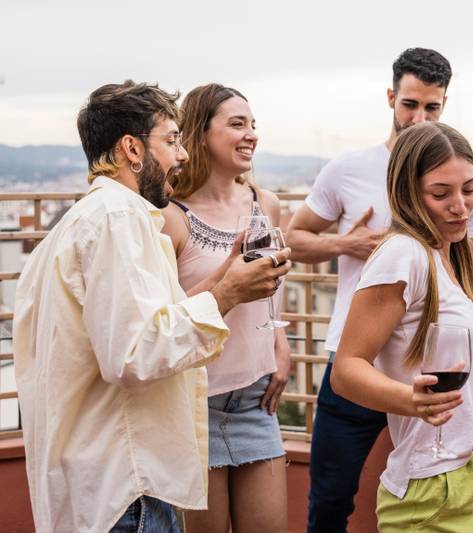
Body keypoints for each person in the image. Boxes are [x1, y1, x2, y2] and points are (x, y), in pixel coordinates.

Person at [12, 81, 290, 533]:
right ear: (132, 149)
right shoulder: (119, 221)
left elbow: (136, 323)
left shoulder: (84, 220)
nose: (180, 156)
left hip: (100, 479)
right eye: (171, 140)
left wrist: (224, 277)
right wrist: (228, 295)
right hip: (126, 487)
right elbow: (134, 354)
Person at [286, 47, 473, 532]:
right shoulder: (347, 169)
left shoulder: (468, 188)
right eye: (410, 104)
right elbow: (294, 238)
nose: (419, 116)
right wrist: (350, 242)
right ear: (391, 97)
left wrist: (455, 311)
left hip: (434, 369)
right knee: (330, 496)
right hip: (358, 355)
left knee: (434, 481)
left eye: (432, 107)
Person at [331, 121, 473, 532]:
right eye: (441, 193)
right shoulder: (402, 254)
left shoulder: (449, 260)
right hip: (435, 492)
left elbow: (460, 394)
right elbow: (346, 370)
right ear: (407, 193)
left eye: (469, 189)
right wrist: (410, 400)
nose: (461, 205)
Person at [162, 84, 290, 532]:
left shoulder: (265, 204)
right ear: (200, 133)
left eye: (253, 124)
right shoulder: (169, 216)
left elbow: (269, 289)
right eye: (237, 124)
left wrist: (280, 340)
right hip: (195, 404)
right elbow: (167, 318)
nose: (251, 134)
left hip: (257, 400)